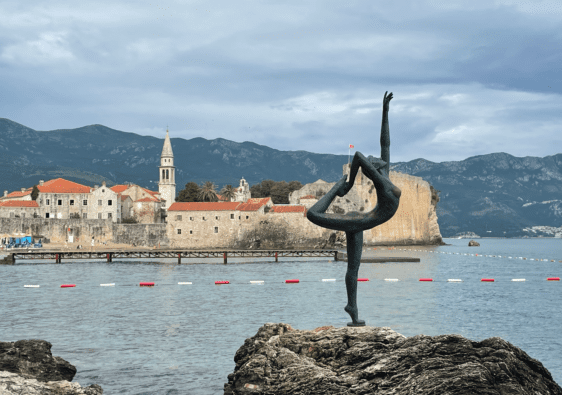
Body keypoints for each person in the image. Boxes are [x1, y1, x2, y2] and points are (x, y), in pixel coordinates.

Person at [307, 91, 401, 326]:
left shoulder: (385, 176)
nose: (377, 160)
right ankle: (334, 189)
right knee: (312, 214)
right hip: (358, 221)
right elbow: (359, 156)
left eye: (376, 161)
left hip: (360, 222)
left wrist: (385, 112)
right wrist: (346, 185)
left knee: (353, 268)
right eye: (375, 162)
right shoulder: (382, 182)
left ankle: (353, 308)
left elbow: (385, 143)